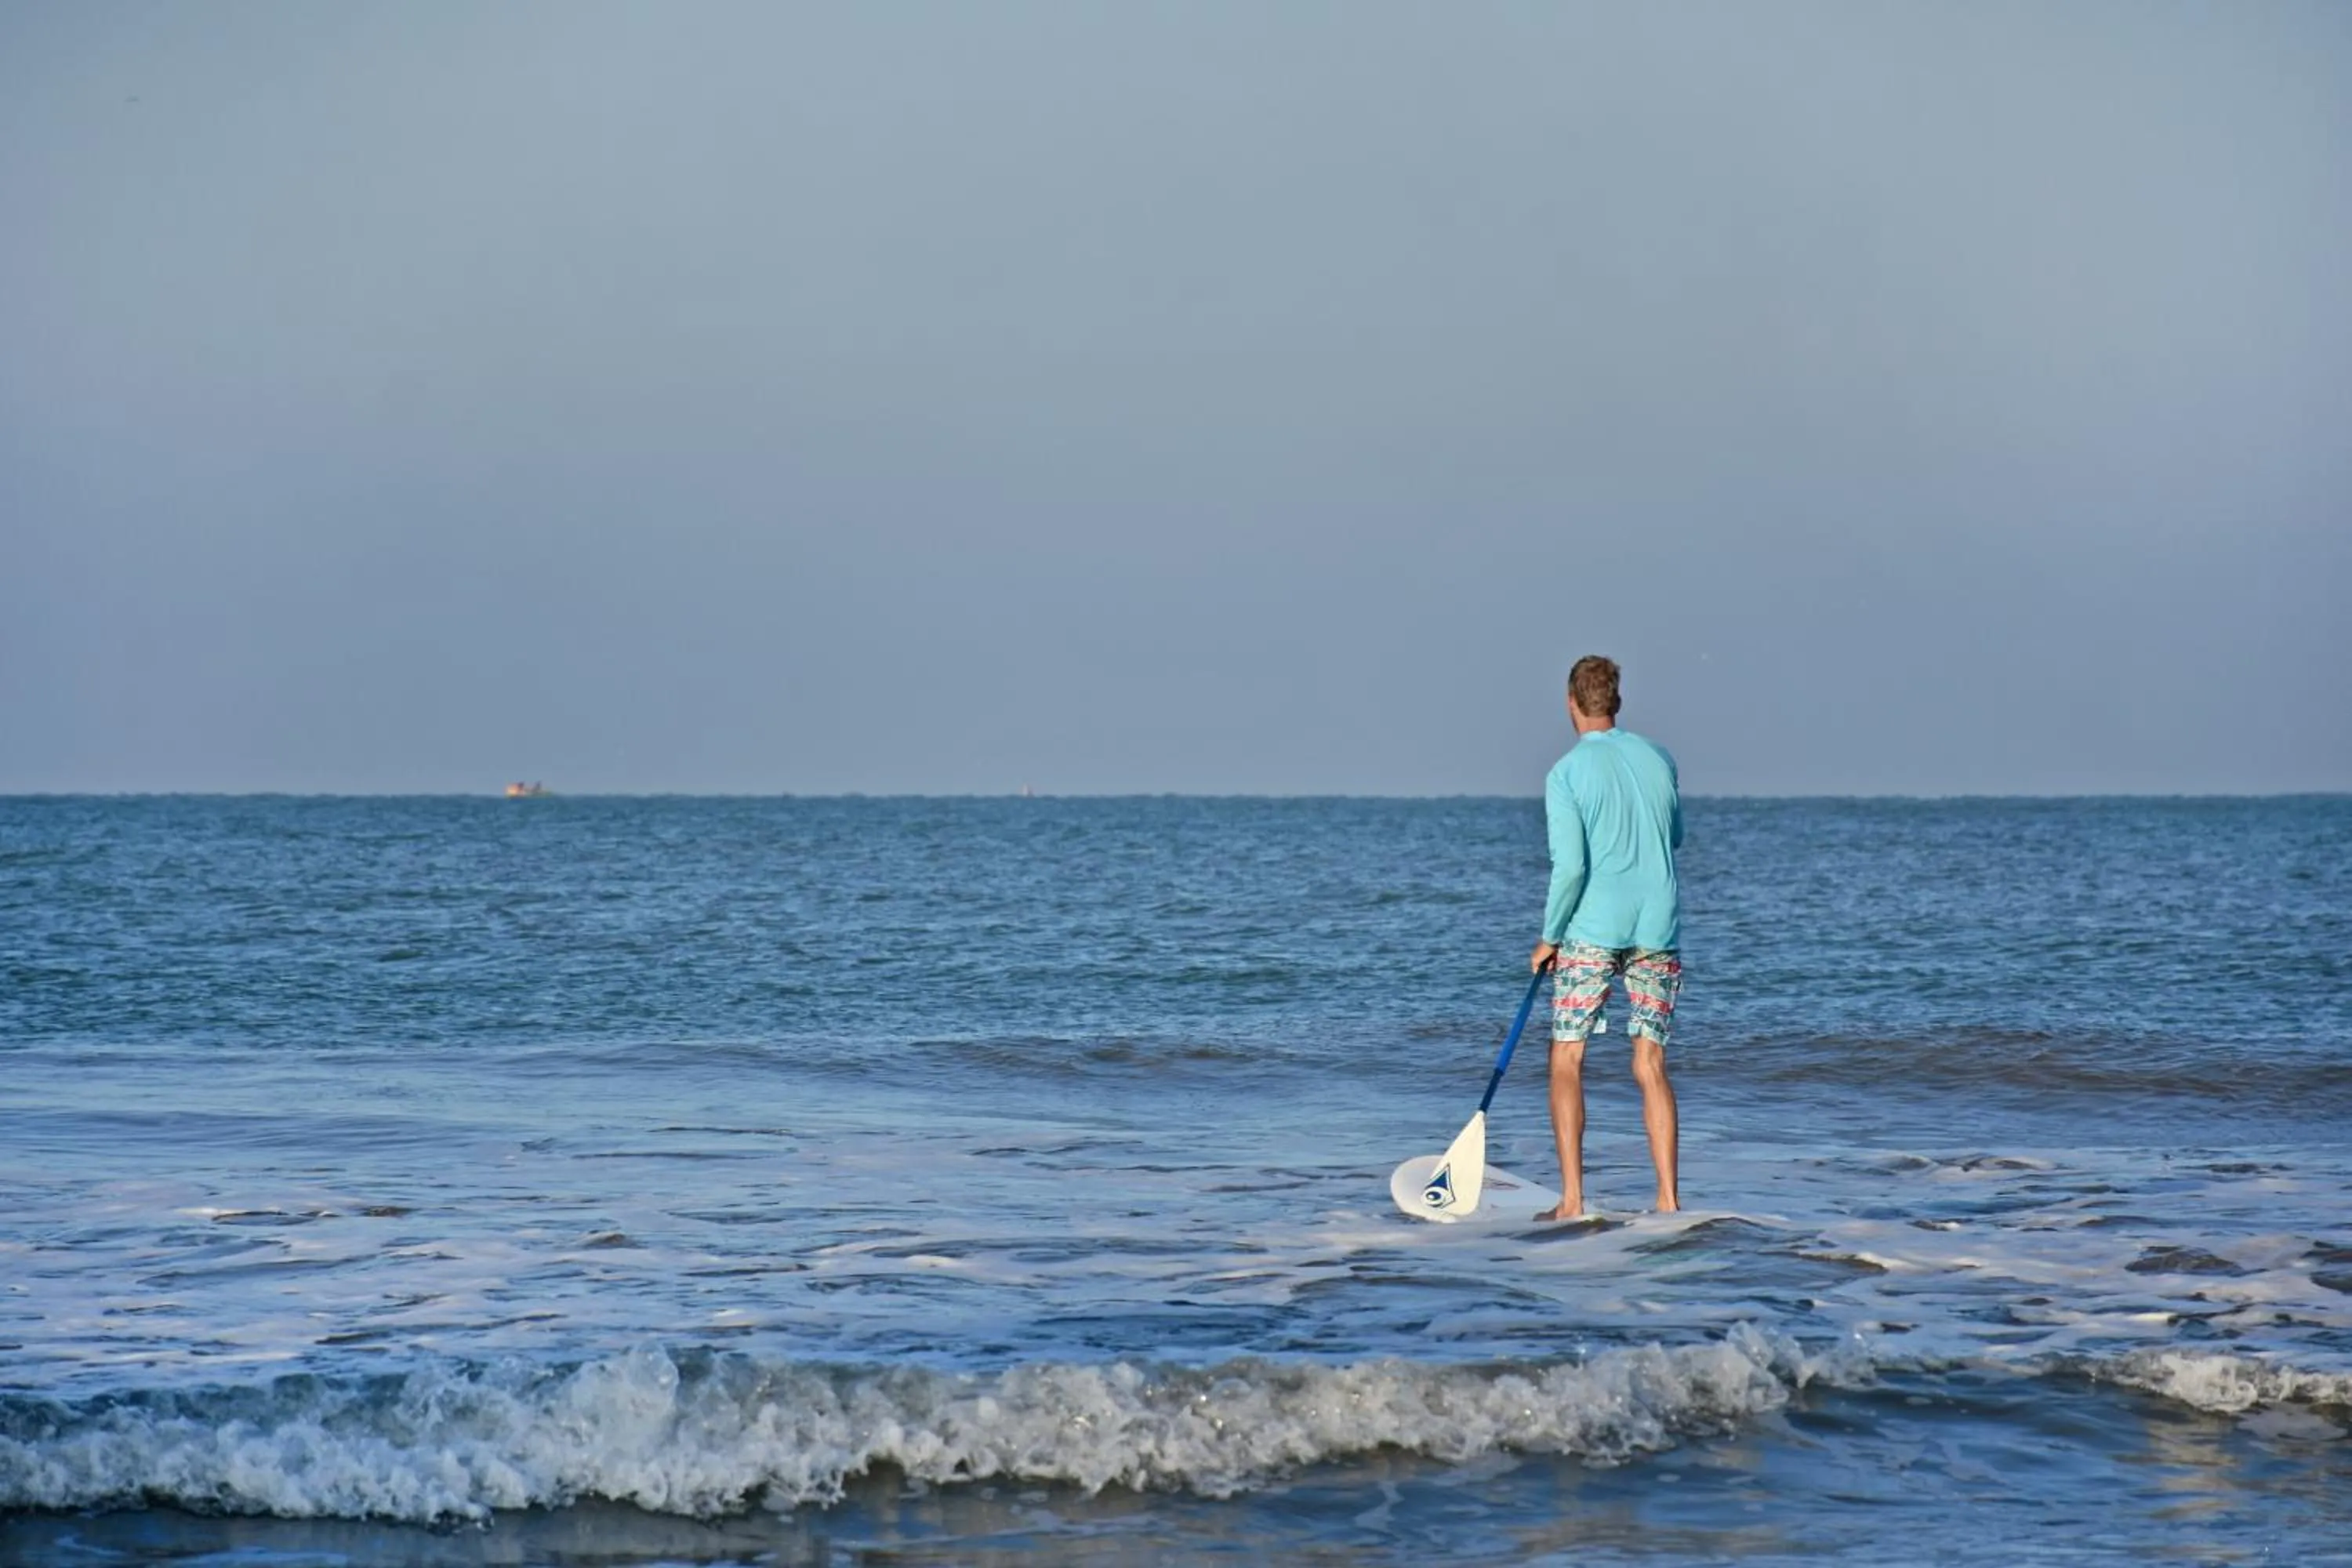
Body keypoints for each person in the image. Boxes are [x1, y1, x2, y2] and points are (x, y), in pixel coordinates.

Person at [1529, 655, 1684, 1219]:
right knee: (1650, 1064)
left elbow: (1570, 868)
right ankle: (1668, 1200)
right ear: (1615, 703)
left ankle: (1572, 1201)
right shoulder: (1660, 758)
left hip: (1592, 930)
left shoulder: (1566, 773)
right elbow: (1676, 837)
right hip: (1657, 926)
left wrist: (1550, 938)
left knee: (1567, 1058)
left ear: (1571, 703)